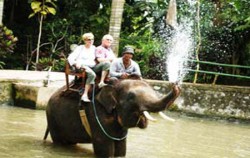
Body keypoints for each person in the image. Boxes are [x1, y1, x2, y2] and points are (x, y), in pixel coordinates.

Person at [67, 32, 96, 102]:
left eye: (92, 39)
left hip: (92, 66)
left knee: (106, 65)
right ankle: (85, 95)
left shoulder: (94, 48)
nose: (90, 41)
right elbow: (70, 58)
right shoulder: (80, 48)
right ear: (85, 40)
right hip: (82, 67)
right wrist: (76, 63)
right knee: (92, 75)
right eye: (89, 39)